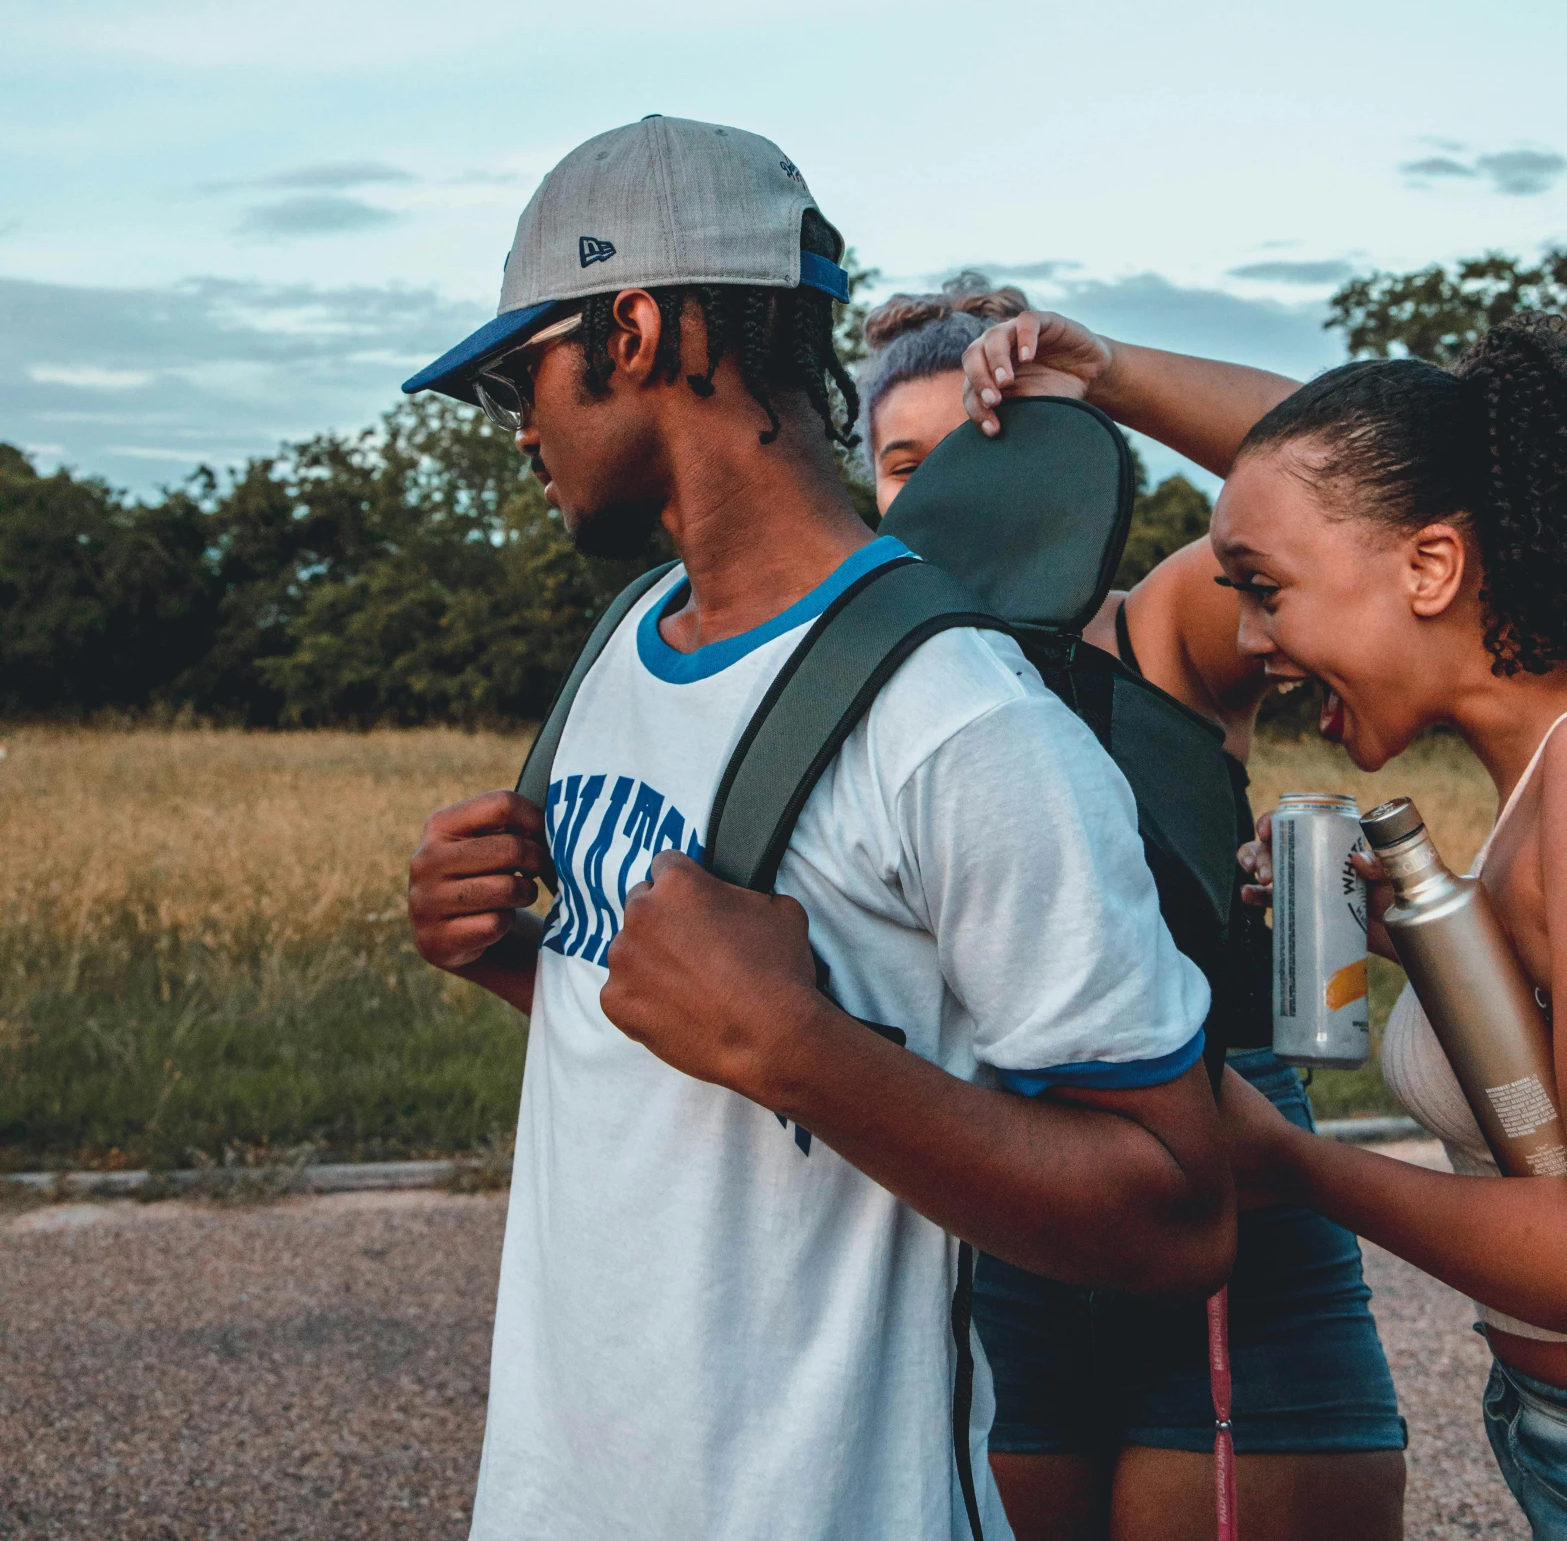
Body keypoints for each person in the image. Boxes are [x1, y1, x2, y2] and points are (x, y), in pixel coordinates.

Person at [402, 119, 1233, 1541]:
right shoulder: (625, 640)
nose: (514, 424)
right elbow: (676, 1048)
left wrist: (801, 1049)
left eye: (512, 374)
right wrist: (503, 954)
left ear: (637, 325)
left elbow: (1173, 1212)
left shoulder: (958, 719)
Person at [963, 301, 1567, 1539]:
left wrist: (1291, 1162)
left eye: (1264, 593)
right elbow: (1371, 470)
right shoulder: (1526, 785)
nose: (1252, 640)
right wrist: (1110, 372)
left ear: (1434, 568)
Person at [861, 282, 1406, 1541]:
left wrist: (1108, 372)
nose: (948, 488)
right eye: (904, 461)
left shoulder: (1161, 631)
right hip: (984, 1220)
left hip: (1236, 1199)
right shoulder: (838, 690)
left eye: (981, 448)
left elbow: (1376, 489)